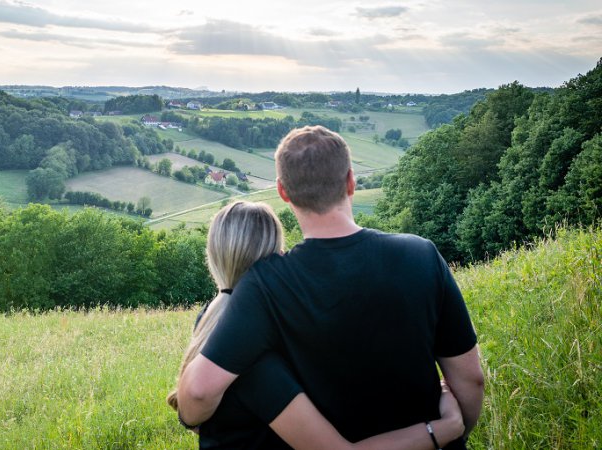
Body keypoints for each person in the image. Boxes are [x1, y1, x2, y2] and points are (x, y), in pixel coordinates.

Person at [177, 126, 485, 449]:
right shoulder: (421, 255)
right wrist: (454, 431)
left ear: (283, 191)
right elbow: (471, 379)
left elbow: (198, 392)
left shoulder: (265, 284)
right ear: (351, 181)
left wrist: (189, 419)